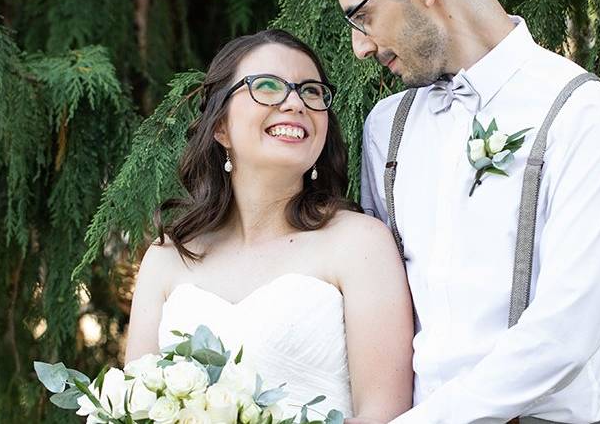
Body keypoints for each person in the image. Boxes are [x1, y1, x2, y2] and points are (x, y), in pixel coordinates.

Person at [322, 0, 600, 423]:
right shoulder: (386, 128)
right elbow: (379, 304)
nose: (360, 46)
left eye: (364, 16)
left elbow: (567, 330)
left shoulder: (581, 112)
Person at [125, 29, 414, 420]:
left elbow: (385, 415)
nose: (296, 103)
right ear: (220, 126)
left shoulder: (359, 244)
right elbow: (135, 409)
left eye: (311, 91)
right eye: (267, 86)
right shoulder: (165, 260)